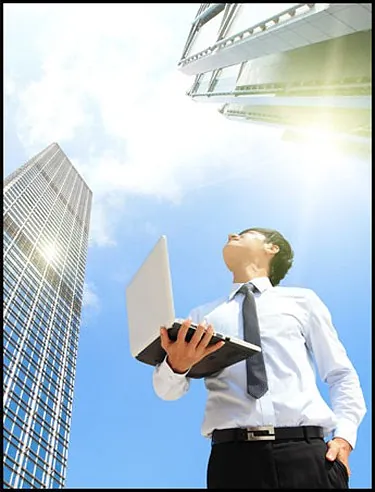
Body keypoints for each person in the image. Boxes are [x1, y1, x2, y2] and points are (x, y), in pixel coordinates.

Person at [153, 228, 366, 489]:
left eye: (245, 233)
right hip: (232, 462)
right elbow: (166, 391)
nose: (231, 234)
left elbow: (340, 374)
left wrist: (344, 438)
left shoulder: (302, 301)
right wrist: (176, 366)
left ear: (272, 248)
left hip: (308, 454)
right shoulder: (201, 315)